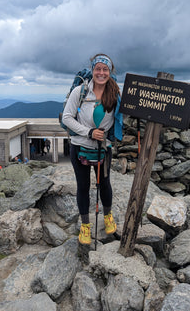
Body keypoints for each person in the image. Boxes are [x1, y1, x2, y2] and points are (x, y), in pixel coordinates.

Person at [62, 53, 122, 245]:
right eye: (98, 69)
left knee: (104, 184)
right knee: (83, 186)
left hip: (103, 148)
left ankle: (107, 216)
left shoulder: (115, 93)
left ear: (110, 72)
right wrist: (89, 132)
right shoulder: (80, 92)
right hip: (80, 147)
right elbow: (67, 118)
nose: (101, 73)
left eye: (105, 69)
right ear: (93, 70)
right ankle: (85, 226)